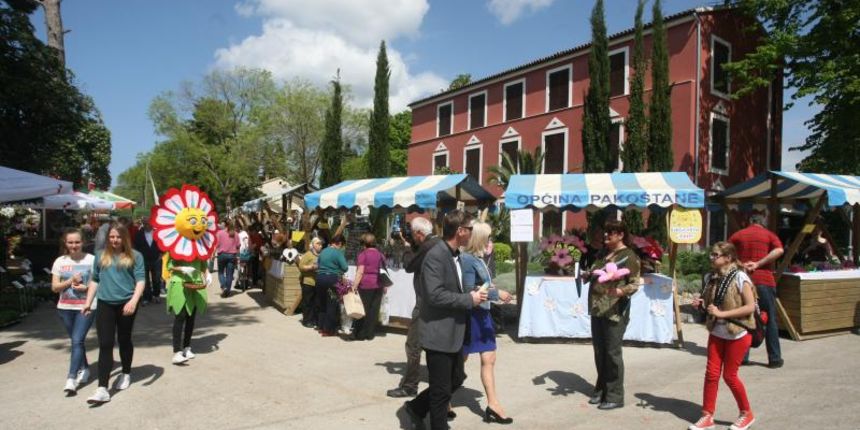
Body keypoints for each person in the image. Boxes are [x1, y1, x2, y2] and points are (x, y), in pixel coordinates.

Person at [402, 210, 487, 430]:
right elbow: (434, 294)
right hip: (438, 331)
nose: (472, 233)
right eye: (470, 229)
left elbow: (453, 287)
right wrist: (468, 299)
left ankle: (416, 407)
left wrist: (474, 292)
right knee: (441, 391)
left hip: (453, 332)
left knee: (456, 378)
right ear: (460, 231)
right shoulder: (436, 255)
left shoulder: (454, 253)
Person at [688, 242, 757, 430]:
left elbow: (750, 306)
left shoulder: (740, 277)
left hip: (738, 332)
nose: (711, 258)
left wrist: (722, 314)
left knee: (730, 376)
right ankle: (707, 415)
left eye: (715, 255)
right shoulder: (712, 277)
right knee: (711, 374)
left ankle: (746, 413)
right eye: (711, 254)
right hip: (717, 332)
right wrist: (701, 304)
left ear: (728, 258)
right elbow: (711, 305)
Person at [83, 222, 145, 404]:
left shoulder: (135, 256)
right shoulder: (100, 255)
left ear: (125, 238)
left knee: (124, 339)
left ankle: (126, 373)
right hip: (105, 304)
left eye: (118, 237)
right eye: (111, 237)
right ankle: (102, 388)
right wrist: (88, 302)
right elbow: (95, 280)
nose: (115, 240)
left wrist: (134, 301)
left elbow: (140, 280)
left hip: (126, 304)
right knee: (105, 343)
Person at [460, 221, 514, 424]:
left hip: (482, 314)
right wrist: (496, 293)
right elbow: (468, 290)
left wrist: (494, 289)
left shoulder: (477, 258)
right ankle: (442, 399)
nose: (491, 240)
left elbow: (480, 284)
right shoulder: (467, 259)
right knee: (460, 360)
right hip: (472, 315)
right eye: (488, 237)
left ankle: (493, 404)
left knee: (489, 358)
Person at [585, 220, 640, 411]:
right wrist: (587, 275)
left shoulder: (629, 256)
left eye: (611, 232)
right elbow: (596, 272)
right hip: (598, 308)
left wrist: (620, 291)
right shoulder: (603, 253)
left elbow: (634, 283)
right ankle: (601, 389)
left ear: (621, 235)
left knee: (612, 353)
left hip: (615, 310)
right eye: (605, 232)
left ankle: (615, 396)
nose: (606, 235)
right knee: (600, 351)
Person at [387, 216, 438, 398]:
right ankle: (444, 382)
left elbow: (409, 266)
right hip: (437, 302)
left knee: (413, 344)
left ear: (419, 233)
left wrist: (408, 247)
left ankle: (409, 386)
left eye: (414, 235)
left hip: (425, 303)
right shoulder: (439, 243)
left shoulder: (427, 246)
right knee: (435, 346)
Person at [729, 213, 784, 368]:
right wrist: (759, 264)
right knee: (770, 319)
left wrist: (741, 264)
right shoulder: (769, 235)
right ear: (763, 222)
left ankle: (742, 357)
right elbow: (779, 250)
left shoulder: (739, 234)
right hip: (764, 281)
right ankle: (774, 359)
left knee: (745, 317)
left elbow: (725, 252)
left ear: (749, 221)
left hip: (743, 282)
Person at [51, 228, 95, 395]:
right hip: (65, 308)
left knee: (77, 341)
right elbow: (55, 287)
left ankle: (71, 378)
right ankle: (85, 368)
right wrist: (70, 280)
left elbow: (99, 283)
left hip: (86, 306)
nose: (74, 245)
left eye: (77, 242)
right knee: (77, 341)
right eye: (70, 242)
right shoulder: (60, 261)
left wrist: (86, 287)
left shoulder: (92, 259)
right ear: (65, 243)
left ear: (83, 242)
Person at [351, 233, 386, 341]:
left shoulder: (363, 254)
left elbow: (360, 271)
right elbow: (384, 270)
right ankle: (370, 334)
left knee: (362, 309)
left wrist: (354, 286)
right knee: (374, 310)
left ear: (364, 243)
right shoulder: (381, 255)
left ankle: (360, 334)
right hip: (378, 284)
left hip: (365, 284)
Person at [315, 235, 348, 337]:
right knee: (332, 303)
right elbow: (345, 267)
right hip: (331, 279)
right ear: (340, 243)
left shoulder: (323, 251)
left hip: (320, 278)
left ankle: (321, 326)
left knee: (322, 303)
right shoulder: (337, 253)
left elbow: (318, 265)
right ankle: (328, 330)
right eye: (342, 245)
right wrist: (338, 271)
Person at [133, 220, 163, 305]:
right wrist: (138, 257)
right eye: (145, 224)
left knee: (157, 278)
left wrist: (161, 254)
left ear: (152, 224)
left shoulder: (158, 233)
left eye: (148, 224)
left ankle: (156, 295)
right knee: (145, 279)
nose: (146, 226)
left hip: (156, 259)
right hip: (143, 260)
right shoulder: (139, 234)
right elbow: (135, 246)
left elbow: (163, 244)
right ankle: (147, 297)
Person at [298, 238, 323, 328]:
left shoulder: (322, 255)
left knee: (316, 302)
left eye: (321, 244)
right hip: (308, 281)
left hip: (318, 282)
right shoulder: (308, 254)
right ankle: (306, 321)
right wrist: (312, 267)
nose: (320, 245)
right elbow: (301, 266)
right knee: (307, 302)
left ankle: (314, 320)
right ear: (313, 245)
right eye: (318, 243)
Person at [215, 221, 240, 298]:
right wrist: (238, 256)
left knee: (221, 272)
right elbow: (238, 246)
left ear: (225, 225)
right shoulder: (236, 234)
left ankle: (224, 286)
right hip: (232, 256)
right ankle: (228, 291)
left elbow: (216, 244)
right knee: (230, 274)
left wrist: (213, 253)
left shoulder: (219, 233)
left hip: (222, 255)